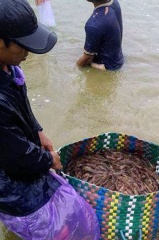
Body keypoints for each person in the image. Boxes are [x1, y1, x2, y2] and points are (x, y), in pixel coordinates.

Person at [0, 0, 100, 239]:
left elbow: (20, 106)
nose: (29, 52)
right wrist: (48, 159)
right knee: (40, 222)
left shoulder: (9, 67)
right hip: (8, 179)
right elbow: (15, 156)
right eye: (23, 46)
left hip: (18, 152)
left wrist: (37, 130)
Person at [76, 0, 124, 71]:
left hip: (106, 68)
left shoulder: (93, 25)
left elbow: (87, 58)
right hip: (118, 58)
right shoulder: (114, 2)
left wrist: (75, 67)